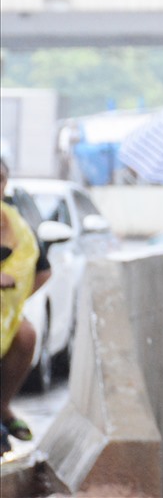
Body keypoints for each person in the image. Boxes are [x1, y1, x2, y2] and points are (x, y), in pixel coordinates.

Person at [0, 158, 51, 454]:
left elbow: (44, 271)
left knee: (26, 334)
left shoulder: (19, 226)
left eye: (1, 179)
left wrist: (11, 305)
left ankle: (3, 407)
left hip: (5, 319)